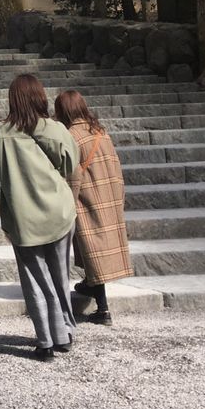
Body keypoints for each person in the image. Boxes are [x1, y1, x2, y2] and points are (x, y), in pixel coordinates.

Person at [0, 74, 80, 361]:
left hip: (23, 215)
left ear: (12, 99)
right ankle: (64, 332)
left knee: (34, 280)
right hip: (59, 211)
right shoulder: (55, 129)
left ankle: (46, 341)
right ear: (40, 96)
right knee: (60, 275)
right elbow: (70, 164)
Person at [53, 90, 133, 326]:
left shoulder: (71, 136)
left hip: (87, 197)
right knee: (95, 248)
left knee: (92, 248)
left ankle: (103, 309)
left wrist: (67, 202)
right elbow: (115, 165)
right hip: (108, 194)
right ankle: (89, 285)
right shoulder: (100, 132)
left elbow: (73, 175)